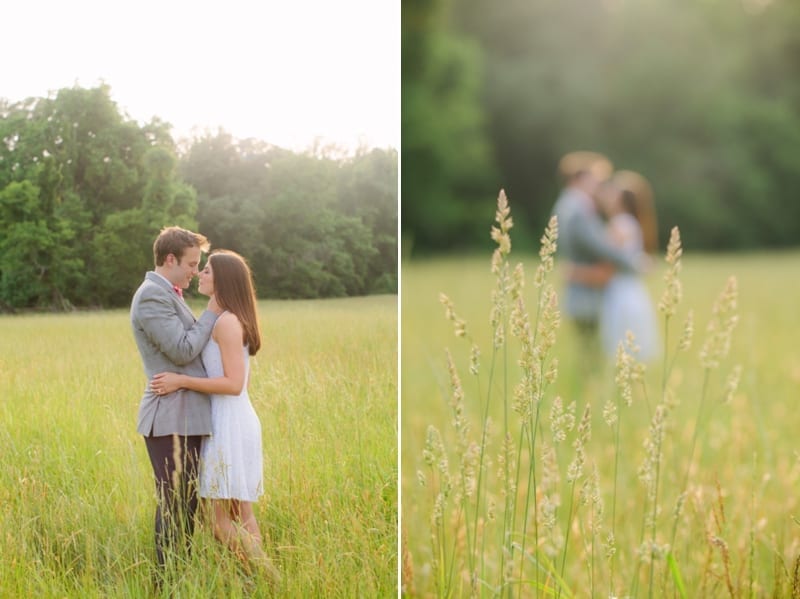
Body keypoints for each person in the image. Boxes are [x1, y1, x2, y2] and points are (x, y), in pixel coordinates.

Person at [149, 250, 280, 582]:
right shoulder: (225, 317)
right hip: (232, 418)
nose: (201, 274)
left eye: (207, 270)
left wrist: (181, 380)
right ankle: (260, 582)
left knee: (220, 523)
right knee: (241, 512)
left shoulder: (227, 323)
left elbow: (235, 384)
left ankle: (272, 579)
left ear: (223, 279)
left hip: (229, 422)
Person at [130, 226, 222, 575]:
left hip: (186, 414)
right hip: (169, 415)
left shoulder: (170, 293)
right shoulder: (152, 296)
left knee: (185, 504)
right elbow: (182, 350)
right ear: (170, 259)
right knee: (174, 503)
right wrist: (212, 311)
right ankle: (167, 582)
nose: (195, 271)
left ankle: (179, 578)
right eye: (191, 263)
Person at [551, 152, 646, 342]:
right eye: (595, 179)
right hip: (586, 296)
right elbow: (601, 247)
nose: (598, 186)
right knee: (592, 353)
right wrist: (636, 262)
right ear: (582, 179)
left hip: (587, 288)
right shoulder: (576, 208)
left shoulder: (569, 205)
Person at [595, 171, 660, 361]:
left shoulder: (620, 225)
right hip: (632, 290)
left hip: (621, 294)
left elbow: (608, 262)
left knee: (621, 345)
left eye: (611, 192)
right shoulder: (630, 223)